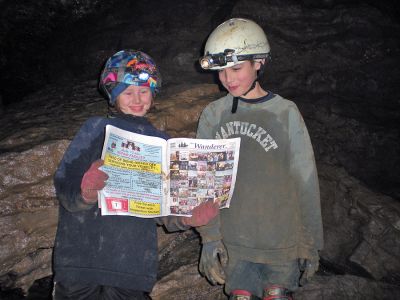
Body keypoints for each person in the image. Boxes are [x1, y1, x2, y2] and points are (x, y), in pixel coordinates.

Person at [52, 49, 218, 300]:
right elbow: (64, 182)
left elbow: (163, 208)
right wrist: (85, 192)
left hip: (132, 266)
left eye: (144, 91)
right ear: (113, 96)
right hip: (80, 262)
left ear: (153, 92)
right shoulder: (95, 128)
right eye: (127, 92)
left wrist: (186, 217)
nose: (137, 99)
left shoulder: (162, 142)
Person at [195, 18, 324, 300]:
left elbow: (305, 179)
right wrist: (209, 238)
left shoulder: (285, 112)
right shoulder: (213, 115)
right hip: (235, 242)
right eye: (221, 71)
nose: (228, 79)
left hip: (281, 241)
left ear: (259, 63)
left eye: (236, 68)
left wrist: (310, 243)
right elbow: (203, 182)